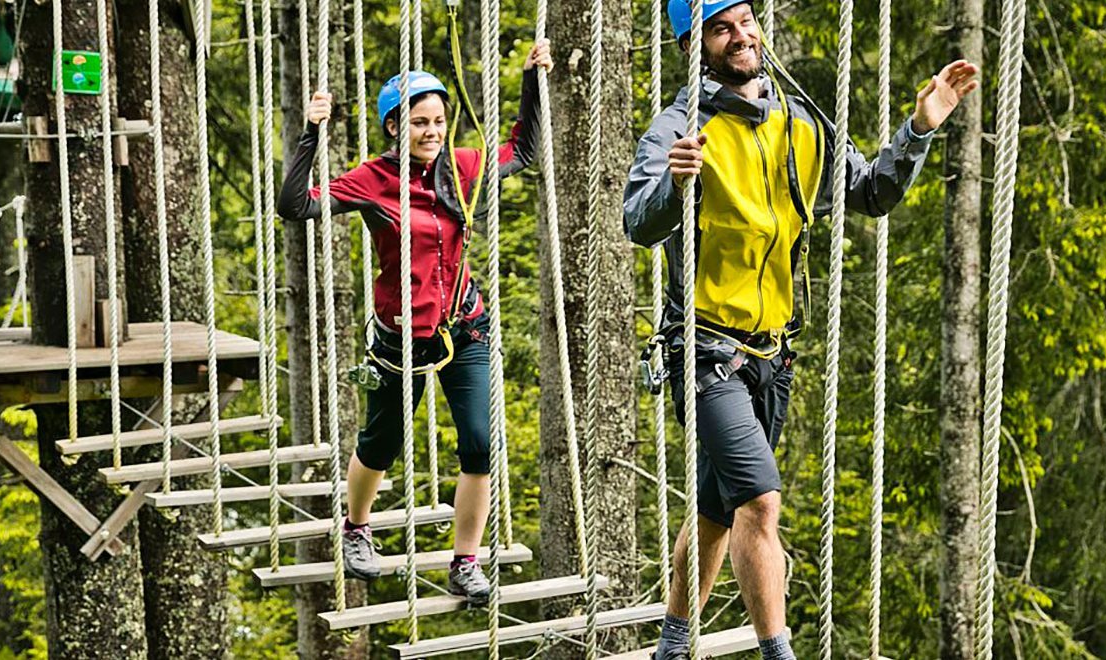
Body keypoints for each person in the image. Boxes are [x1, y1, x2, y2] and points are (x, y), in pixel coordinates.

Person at [623, 1, 978, 657]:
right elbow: (639, 222)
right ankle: (778, 653)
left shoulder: (801, 122)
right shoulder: (679, 129)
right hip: (702, 353)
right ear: (693, 45)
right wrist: (674, 184)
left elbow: (870, 191)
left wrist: (920, 129)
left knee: (715, 511)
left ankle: (673, 646)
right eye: (721, 28)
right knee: (759, 505)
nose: (741, 36)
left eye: (747, 20)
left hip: (771, 355)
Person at [277, 41, 551, 605]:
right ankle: (356, 528)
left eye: (438, 121)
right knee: (380, 442)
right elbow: (295, 204)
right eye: (418, 123)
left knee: (480, 444)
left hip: (464, 327)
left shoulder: (461, 167)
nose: (431, 131)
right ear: (393, 127)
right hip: (400, 334)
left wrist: (530, 81)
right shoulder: (373, 180)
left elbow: (524, 149)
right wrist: (310, 133)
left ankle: (466, 560)